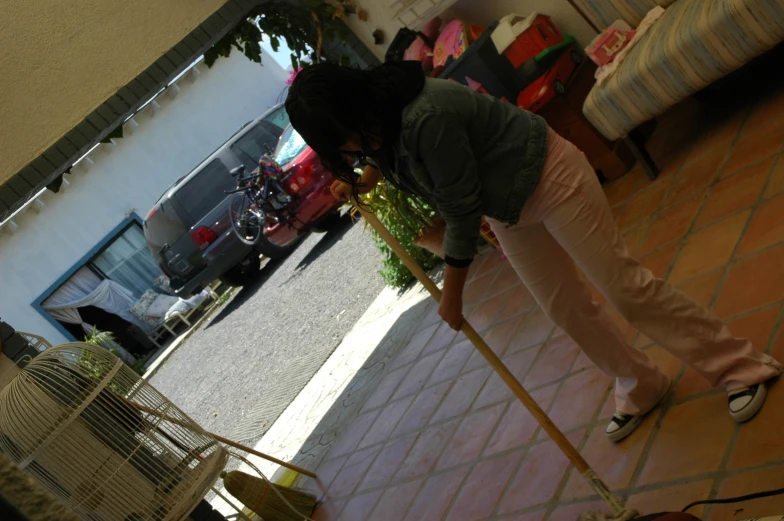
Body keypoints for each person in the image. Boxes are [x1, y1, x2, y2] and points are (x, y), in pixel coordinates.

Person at [284, 61, 782, 442]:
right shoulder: (379, 122)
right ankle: (640, 384)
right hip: (507, 206)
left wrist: (453, 295)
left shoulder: (425, 113)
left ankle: (741, 367)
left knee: (624, 289)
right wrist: (366, 178)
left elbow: (459, 208)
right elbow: (400, 158)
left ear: (354, 107)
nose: (350, 148)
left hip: (549, 175)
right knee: (565, 308)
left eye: (345, 137)